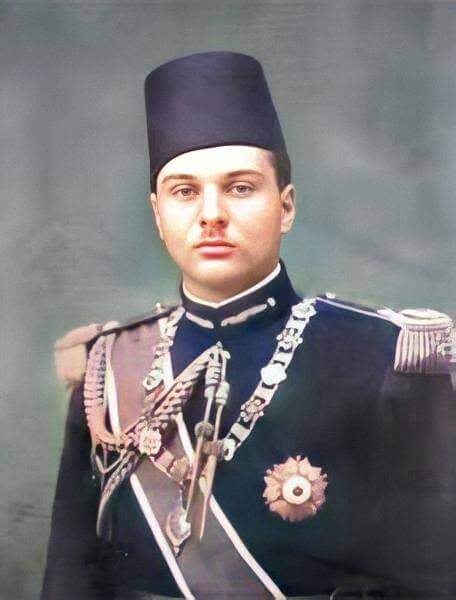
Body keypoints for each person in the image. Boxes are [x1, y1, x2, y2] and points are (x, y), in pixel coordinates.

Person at [42, 51, 456, 599]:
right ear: (158, 216)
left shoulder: (382, 359)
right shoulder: (106, 366)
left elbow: (431, 580)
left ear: (286, 207)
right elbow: (70, 578)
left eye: (239, 187)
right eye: (185, 191)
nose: (211, 213)